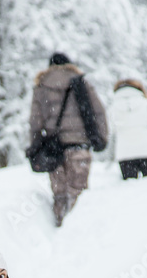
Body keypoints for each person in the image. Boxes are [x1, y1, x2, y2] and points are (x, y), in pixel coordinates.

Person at [28, 52, 108, 227]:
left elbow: (35, 120)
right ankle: (77, 233)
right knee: (78, 191)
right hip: (79, 145)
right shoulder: (81, 83)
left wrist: (35, 145)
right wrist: (102, 137)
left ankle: (59, 228)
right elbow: (98, 112)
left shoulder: (42, 86)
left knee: (60, 193)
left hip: (54, 149)